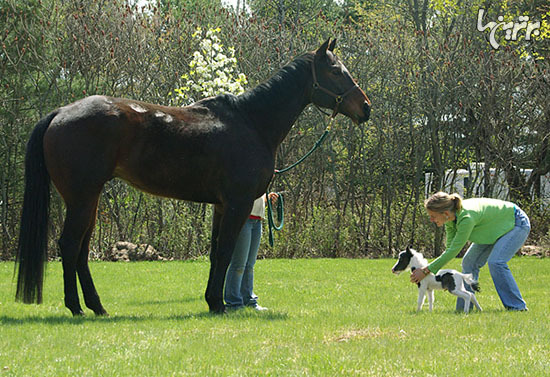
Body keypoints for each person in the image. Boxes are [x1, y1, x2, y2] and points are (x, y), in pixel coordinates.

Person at [411, 192, 530, 311]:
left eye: (433, 216)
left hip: (515, 223)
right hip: (492, 231)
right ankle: (463, 310)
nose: (431, 219)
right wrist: (427, 270)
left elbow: (454, 251)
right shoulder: (450, 220)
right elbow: (449, 250)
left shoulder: (466, 218)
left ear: (445, 213)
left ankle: (517, 307)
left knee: (496, 262)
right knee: (469, 262)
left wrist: (426, 271)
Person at [224, 192, 279, 311]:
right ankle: (233, 302)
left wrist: (266, 199)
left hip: (257, 220)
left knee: (249, 265)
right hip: (244, 219)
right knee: (239, 264)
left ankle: (248, 300)